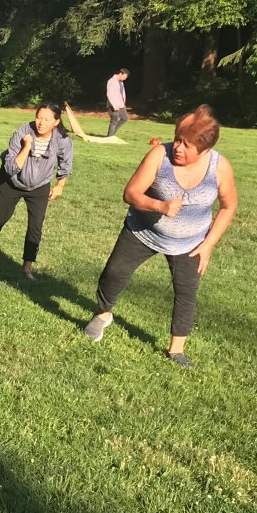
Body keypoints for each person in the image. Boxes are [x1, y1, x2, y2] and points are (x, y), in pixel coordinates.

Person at [83, 105, 237, 368]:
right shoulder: (159, 155)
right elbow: (130, 193)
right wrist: (160, 206)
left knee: (186, 293)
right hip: (143, 230)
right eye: (177, 139)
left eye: (187, 145)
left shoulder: (219, 167)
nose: (177, 147)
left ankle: (176, 350)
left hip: (190, 242)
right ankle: (103, 314)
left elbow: (228, 206)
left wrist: (209, 244)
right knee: (114, 273)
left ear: (204, 149)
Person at [0, 103, 73, 279]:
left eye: (47, 119)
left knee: (36, 226)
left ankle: (27, 267)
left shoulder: (62, 139)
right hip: (11, 181)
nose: (41, 123)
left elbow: (66, 162)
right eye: (39, 117)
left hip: (39, 186)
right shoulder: (22, 132)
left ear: (56, 122)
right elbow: (11, 168)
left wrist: (60, 185)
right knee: (0, 217)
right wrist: (26, 146)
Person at [106, 68, 131, 137]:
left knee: (124, 118)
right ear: (120, 74)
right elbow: (109, 94)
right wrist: (114, 105)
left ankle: (113, 133)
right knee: (114, 120)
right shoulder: (112, 81)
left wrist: (123, 103)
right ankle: (110, 136)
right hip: (113, 104)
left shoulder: (121, 82)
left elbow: (122, 94)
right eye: (124, 77)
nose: (125, 79)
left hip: (120, 104)